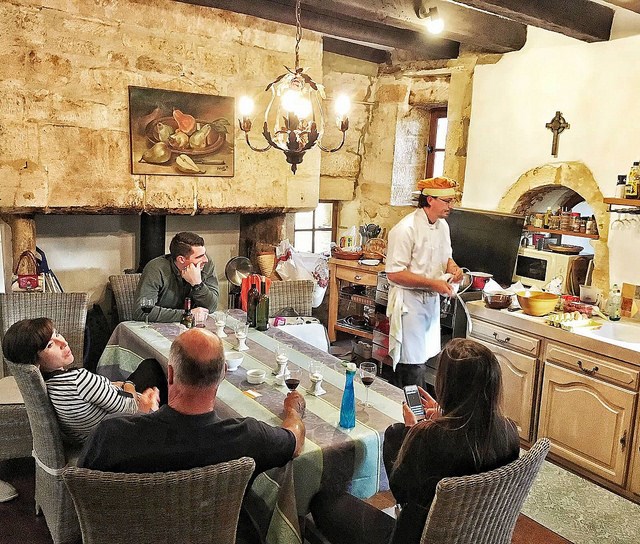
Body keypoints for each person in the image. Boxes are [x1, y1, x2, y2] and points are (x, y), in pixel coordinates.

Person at [310, 338, 519, 544]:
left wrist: (411, 431)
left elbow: (402, 493)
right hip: (479, 534)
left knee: (323, 501)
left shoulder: (427, 438)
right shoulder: (509, 432)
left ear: (447, 385)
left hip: (414, 538)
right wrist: (446, 415)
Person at [78, 326, 305, 474]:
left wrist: (143, 416)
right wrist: (293, 411)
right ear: (223, 374)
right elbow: (295, 441)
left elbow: (80, 491)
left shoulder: (111, 435)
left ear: (170, 374)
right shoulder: (249, 437)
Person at [2, 318, 165, 444]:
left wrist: (113, 385)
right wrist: (129, 386)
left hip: (92, 433)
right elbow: (131, 408)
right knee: (152, 367)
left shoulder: (51, 385)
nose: (63, 342)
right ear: (35, 361)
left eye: (57, 334)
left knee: (144, 369)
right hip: (121, 435)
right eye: (50, 345)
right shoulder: (78, 380)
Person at [385, 176, 464, 388]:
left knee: (426, 358)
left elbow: (446, 257)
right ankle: (408, 404)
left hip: (430, 301)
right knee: (412, 363)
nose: (451, 206)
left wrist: (454, 269)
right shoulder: (405, 229)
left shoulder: (443, 226)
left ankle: (421, 404)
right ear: (430, 200)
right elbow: (394, 273)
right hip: (409, 303)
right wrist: (433, 284)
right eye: (447, 201)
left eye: (452, 201)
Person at [133, 231, 219, 323]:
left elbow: (211, 307)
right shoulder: (156, 268)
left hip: (194, 326)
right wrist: (186, 314)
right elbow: (141, 312)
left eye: (204, 254)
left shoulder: (206, 265)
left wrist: (197, 284)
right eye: (199, 257)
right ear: (181, 259)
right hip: (159, 326)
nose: (206, 260)